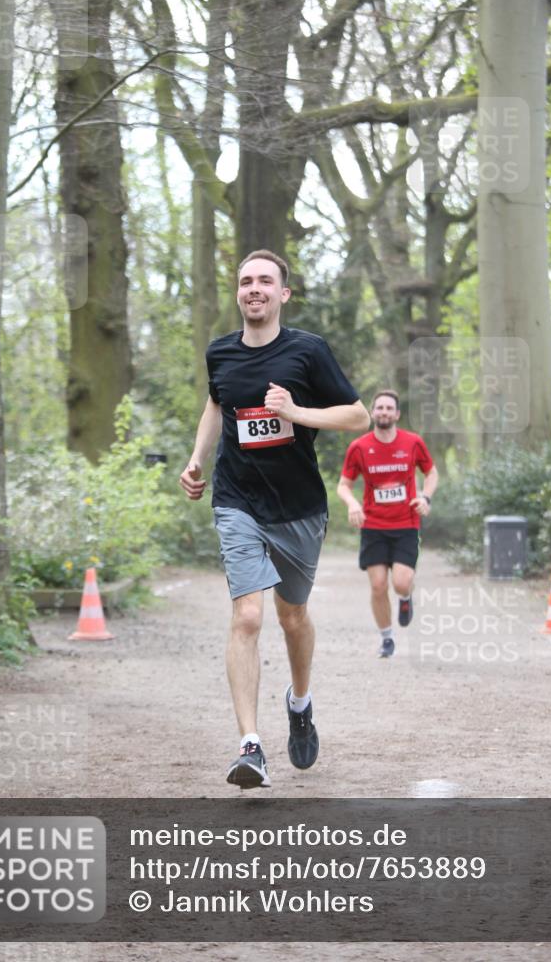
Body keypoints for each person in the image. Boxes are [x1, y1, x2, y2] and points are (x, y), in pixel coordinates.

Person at [179, 250, 369, 789]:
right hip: (237, 500)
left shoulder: (308, 351)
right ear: (237, 293)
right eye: (245, 281)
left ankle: (300, 701)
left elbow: (355, 414)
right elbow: (217, 405)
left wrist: (296, 413)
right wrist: (196, 459)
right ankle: (250, 745)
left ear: (283, 293)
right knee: (247, 618)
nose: (254, 288)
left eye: (265, 281)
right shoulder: (220, 353)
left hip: (299, 508)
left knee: (293, 618)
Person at [337, 390, 438, 657]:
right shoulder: (359, 447)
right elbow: (344, 485)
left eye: (388, 408)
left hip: (406, 523)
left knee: (402, 583)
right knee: (378, 585)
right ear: (372, 412)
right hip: (374, 526)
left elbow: (431, 473)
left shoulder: (413, 443)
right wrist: (353, 503)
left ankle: (406, 599)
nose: (383, 412)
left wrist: (425, 497)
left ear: (397, 414)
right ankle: (387, 638)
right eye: (379, 407)